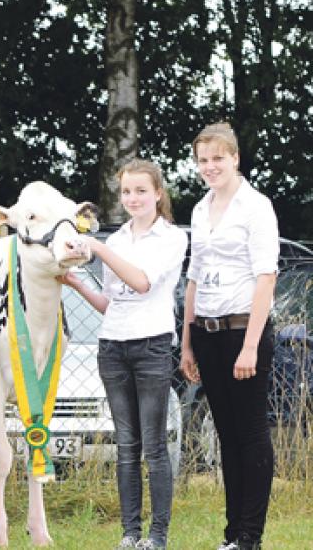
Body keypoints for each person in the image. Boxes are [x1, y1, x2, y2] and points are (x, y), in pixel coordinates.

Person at [60, 159, 187, 550]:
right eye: (126, 191)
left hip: (151, 345)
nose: (132, 198)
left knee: (153, 443)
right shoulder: (116, 241)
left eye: (140, 191)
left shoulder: (171, 238)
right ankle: (130, 533)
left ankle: (157, 535)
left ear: (158, 194)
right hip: (113, 346)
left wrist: (97, 247)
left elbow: (142, 283)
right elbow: (112, 302)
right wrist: (77, 284)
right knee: (126, 444)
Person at [179, 123, 278, 550]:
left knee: (252, 433)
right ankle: (232, 533)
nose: (210, 167)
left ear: (235, 158)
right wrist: (186, 341)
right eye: (203, 160)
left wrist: (251, 345)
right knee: (225, 434)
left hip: (244, 331)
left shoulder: (256, 207)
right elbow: (194, 279)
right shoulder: (200, 210)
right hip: (207, 332)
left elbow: (266, 277)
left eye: (218, 158)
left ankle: (250, 535)